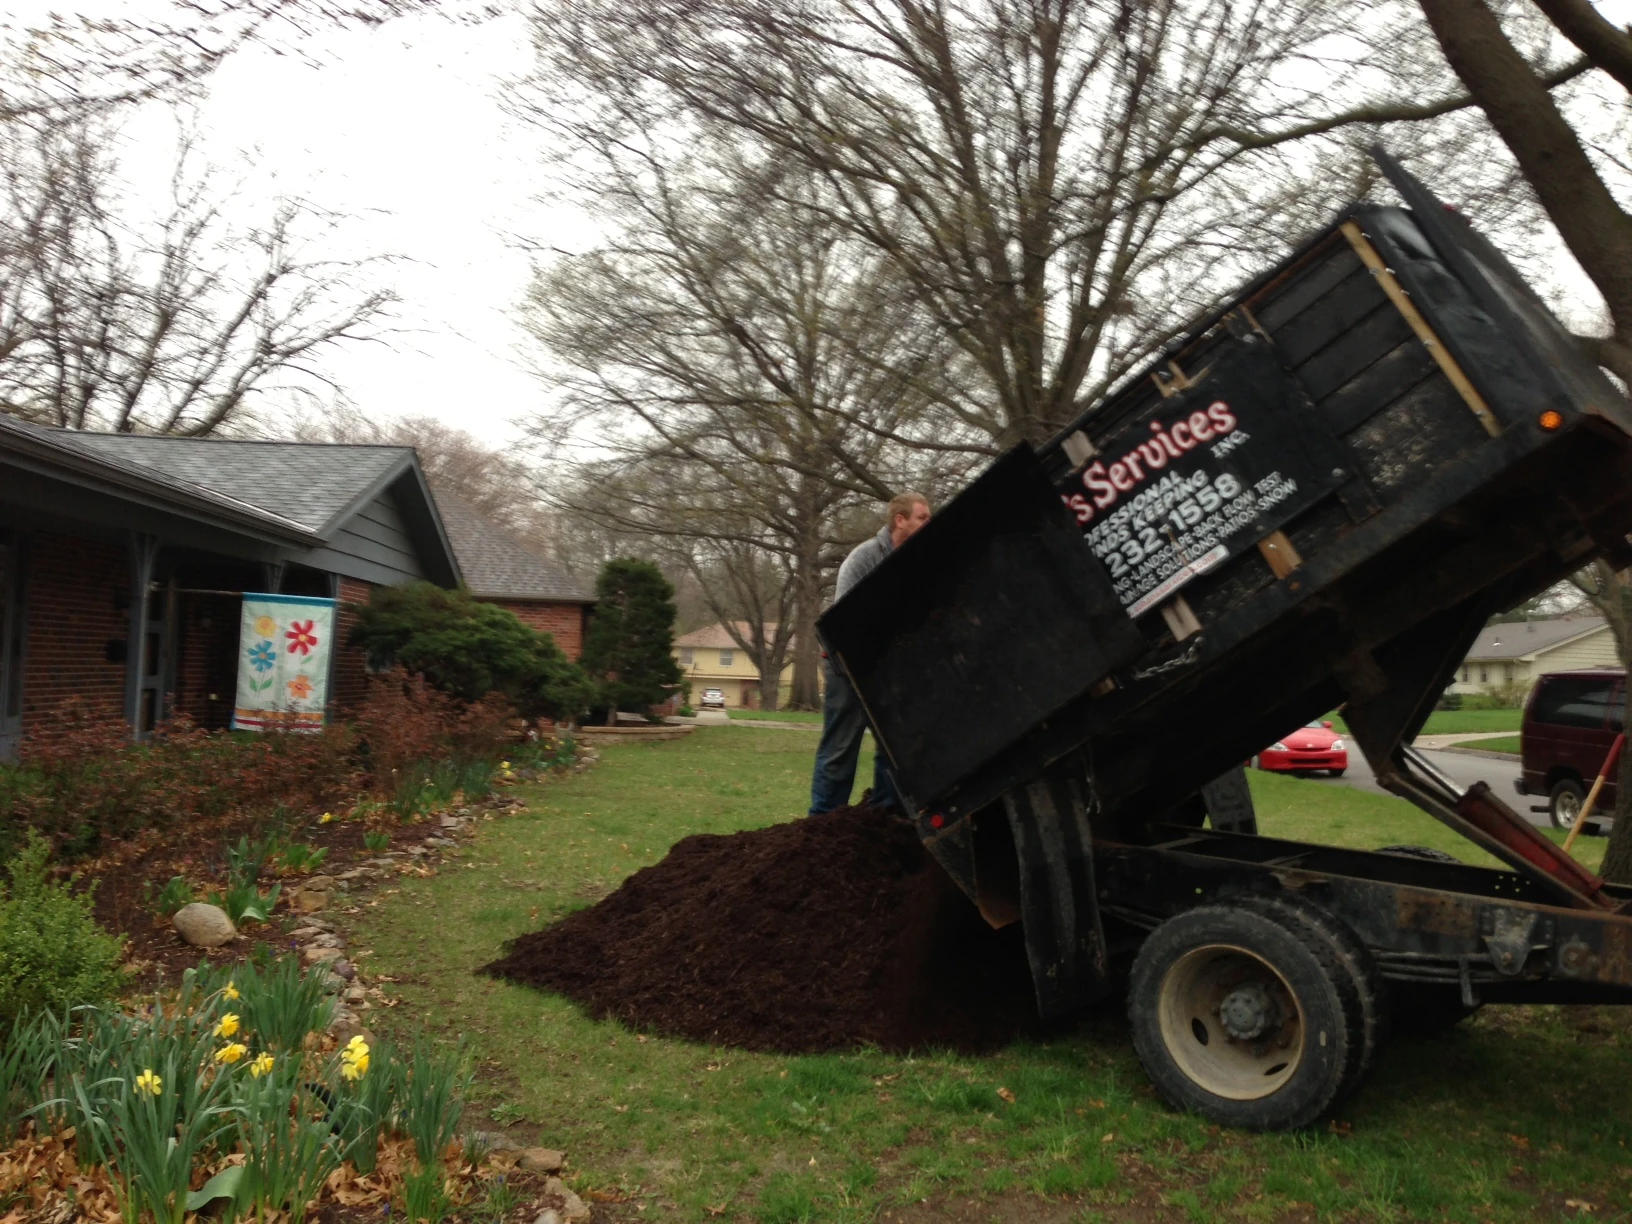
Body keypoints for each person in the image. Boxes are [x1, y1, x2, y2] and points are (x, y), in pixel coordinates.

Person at [808, 491, 932, 816]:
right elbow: (843, 621)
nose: (929, 523)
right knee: (840, 749)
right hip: (846, 668)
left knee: (892, 749)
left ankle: (884, 818)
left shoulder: (919, 563)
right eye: (923, 517)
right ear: (900, 520)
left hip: (889, 669)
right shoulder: (863, 558)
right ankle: (823, 822)